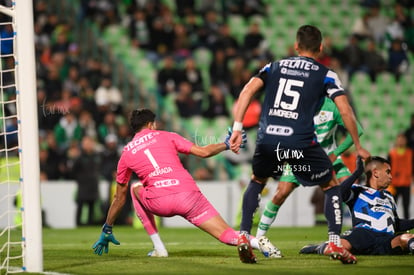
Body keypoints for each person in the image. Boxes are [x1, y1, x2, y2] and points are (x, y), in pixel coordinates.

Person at [229, 25, 370, 264]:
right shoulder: (326, 73)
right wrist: (357, 145)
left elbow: (246, 91)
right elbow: (345, 110)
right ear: (321, 48)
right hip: (299, 140)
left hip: (267, 137)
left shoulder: (273, 66)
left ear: (296, 46)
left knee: (257, 180)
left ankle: (244, 236)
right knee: (331, 185)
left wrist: (237, 128)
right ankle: (334, 241)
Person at [92, 109, 280, 264]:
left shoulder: (126, 153)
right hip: (188, 195)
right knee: (226, 233)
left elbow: (119, 197)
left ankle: (159, 248)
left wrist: (107, 227)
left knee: (134, 188)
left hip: (160, 202)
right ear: (151, 125)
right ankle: (258, 243)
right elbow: (203, 152)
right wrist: (225, 145)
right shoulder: (168, 136)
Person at [255, 97, 364, 237]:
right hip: (300, 159)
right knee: (280, 194)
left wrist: (335, 153)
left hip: (328, 159)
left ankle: (358, 232)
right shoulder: (296, 107)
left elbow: (358, 130)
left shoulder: (332, 107)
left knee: (350, 189)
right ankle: (259, 238)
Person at [300, 156, 414, 256]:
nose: (391, 177)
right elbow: (339, 194)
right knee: (338, 247)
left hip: (387, 239)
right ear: (376, 173)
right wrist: (356, 173)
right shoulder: (358, 190)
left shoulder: (389, 196)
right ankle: (317, 248)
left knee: (406, 238)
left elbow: (396, 223)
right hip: (363, 235)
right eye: (388, 172)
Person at [387, 133, 413, 219]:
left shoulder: (410, 153)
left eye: (403, 139)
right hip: (394, 184)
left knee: (406, 207)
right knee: (393, 206)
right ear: (396, 141)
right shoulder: (391, 154)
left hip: (406, 183)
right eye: (399, 139)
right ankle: (392, 224)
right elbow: (387, 169)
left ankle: (407, 226)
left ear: (406, 141)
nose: (401, 141)